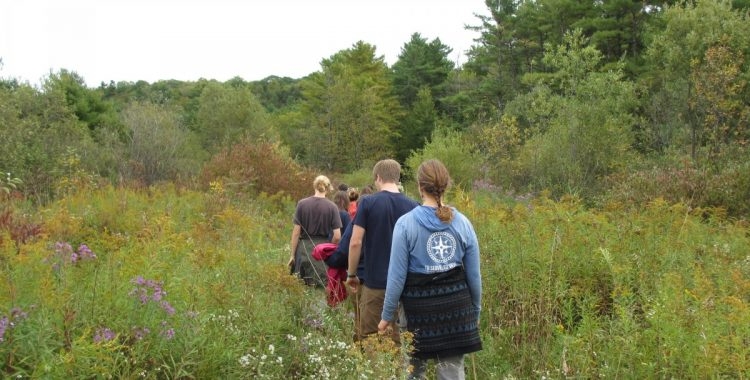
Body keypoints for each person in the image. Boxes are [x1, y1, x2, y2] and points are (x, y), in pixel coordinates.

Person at [378, 159, 482, 379]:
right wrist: (476, 309)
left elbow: (396, 277)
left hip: (418, 313)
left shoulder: (406, 224)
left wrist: (387, 316)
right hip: (456, 310)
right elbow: (473, 275)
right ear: (446, 186)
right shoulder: (463, 223)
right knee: (452, 373)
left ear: (419, 186)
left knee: (414, 373)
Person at [346, 159, 419, 342]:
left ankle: (383, 372)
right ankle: (401, 371)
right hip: (407, 284)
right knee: (405, 338)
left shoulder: (368, 203)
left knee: (373, 337)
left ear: (378, 177)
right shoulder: (414, 206)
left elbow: (355, 242)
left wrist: (352, 273)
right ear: (397, 177)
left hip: (377, 283)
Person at [288, 175, 342, 287]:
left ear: (314, 186)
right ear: (327, 189)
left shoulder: (302, 204)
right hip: (322, 251)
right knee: (320, 287)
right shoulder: (332, 207)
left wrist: (292, 255)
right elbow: (337, 236)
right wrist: (330, 250)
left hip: (303, 249)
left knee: (300, 286)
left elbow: (296, 233)